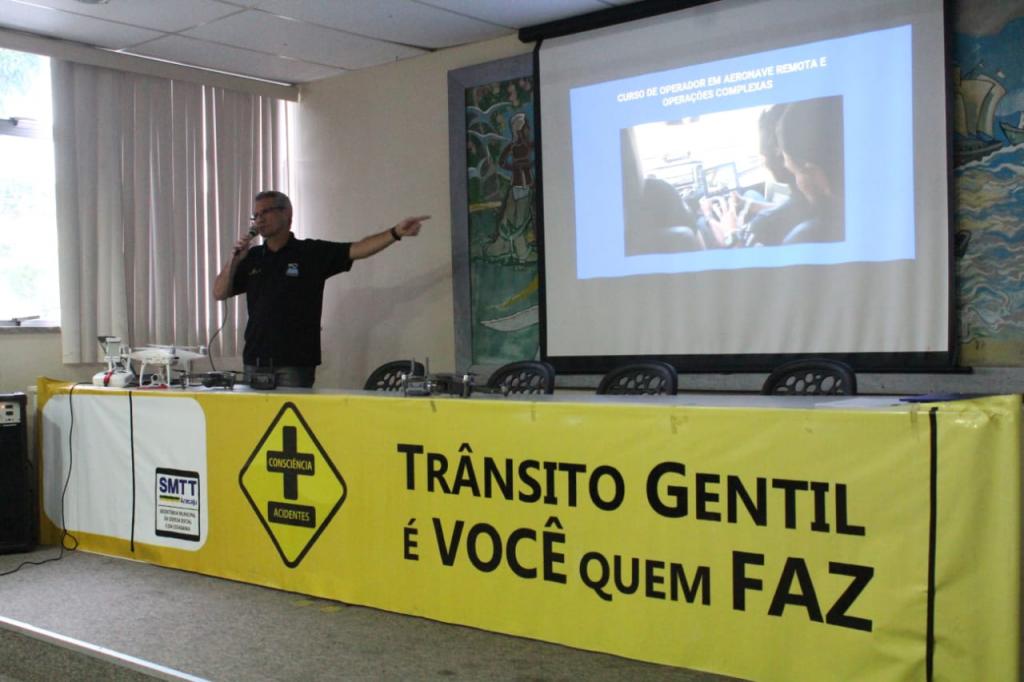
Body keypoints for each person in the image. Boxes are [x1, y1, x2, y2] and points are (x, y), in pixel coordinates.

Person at [213, 190, 429, 388]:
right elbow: (219, 293)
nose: (259, 219)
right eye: (255, 215)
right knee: (256, 418)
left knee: (292, 416)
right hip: (255, 360)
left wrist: (395, 232)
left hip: (295, 363)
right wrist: (235, 259)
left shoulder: (310, 252)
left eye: (265, 212)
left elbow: (358, 248)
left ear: (286, 213)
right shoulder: (252, 257)